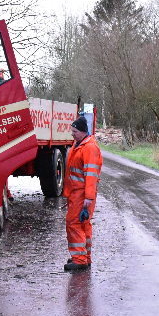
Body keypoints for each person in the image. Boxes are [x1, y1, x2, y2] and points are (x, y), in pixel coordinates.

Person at [62, 116, 102, 272]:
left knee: (74, 223)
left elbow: (91, 175)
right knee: (83, 224)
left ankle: (80, 259)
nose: (72, 134)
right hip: (77, 193)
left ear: (83, 131)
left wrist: (88, 198)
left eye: (75, 131)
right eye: (72, 130)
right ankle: (84, 257)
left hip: (82, 194)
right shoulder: (79, 144)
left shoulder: (89, 148)